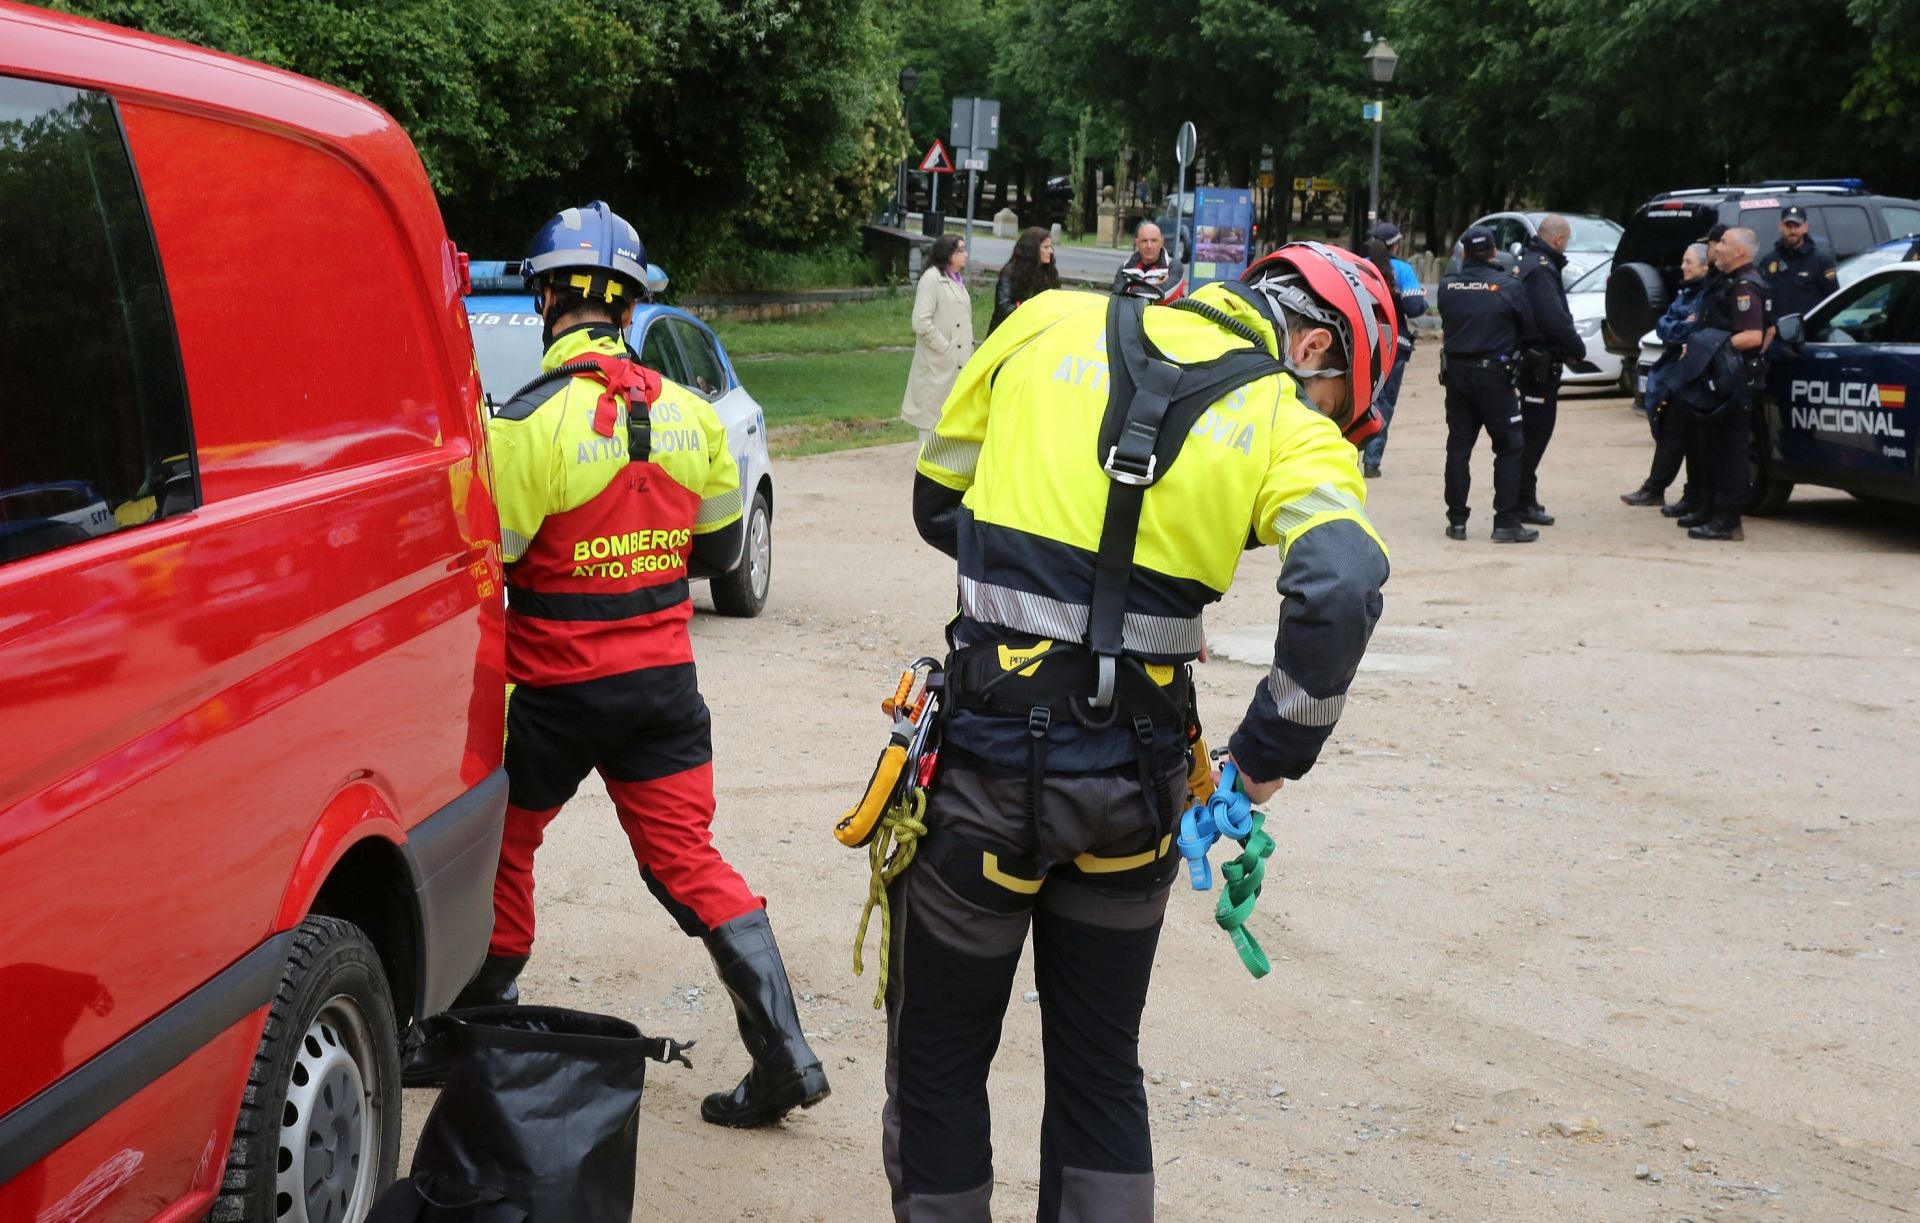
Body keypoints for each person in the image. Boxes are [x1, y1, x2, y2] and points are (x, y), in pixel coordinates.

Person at [898, 242, 1395, 1221]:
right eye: (1335, 397)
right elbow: (1340, 584)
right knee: (1099, 1071)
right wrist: (1256, 768)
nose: (1325, 418)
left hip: (988, 771)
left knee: (940, 1064)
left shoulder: (1042, 323)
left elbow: (938, 502)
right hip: (1137, 786)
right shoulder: (1282, 424)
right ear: (1308, 341)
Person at [466, 201, 830, 1128]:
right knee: (687, 859)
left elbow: (494, 564)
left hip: (553, 692)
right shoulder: (692, 416)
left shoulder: (526, 425)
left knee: (506, 842)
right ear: (629, 309)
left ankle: (480, 1022)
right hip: (665, 691)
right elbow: (711, 537)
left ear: (547, 298)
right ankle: (784, 1053)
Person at [1437, 225, 1537, 542]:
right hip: (1494, 377)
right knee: (1510, 446)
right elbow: (1529, 328)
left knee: (1459, 447)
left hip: (1457, 377)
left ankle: (1457, 522)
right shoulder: (1508, 286)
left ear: (1465, 253)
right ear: (1494, 251)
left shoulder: (1448, 287)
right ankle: (1506, 522)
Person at [1679, 225, 1770, 541]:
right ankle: (1712, 510)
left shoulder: (1746, 285)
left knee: (1731, 451)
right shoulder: (1727, 281)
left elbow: (1752, 336)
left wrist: (1707, 345)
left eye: (1724, 244)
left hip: (1735, 379)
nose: (1716, 249)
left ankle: (1728, 520)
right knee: (1711, 447)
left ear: (1740, 251)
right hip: (1718, 376)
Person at [1621, 242, 1710, 507]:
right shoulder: (1685, 292)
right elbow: (1664, 325)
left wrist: (1677, 329)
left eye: (1689, 262)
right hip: (1672, 369)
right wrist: (1677, 328)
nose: (1683, 266)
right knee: (1668, 428)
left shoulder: (1706, 295)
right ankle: (1663, 489)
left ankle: (1659, 489)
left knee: (1676, 431)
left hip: (1691, 372)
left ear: (1706, 266)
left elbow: (1687, 331)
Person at [1512, 215, 1586, 524]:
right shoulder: (1541, 269)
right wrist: (1576, 349)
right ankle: (1521, 501)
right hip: (1538, 364)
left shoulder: (1529, 262)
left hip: (1530, 360)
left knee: (1532, 434)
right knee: (1535, 435)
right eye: (1565, 242)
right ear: (1558, 240)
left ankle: (1524, 498)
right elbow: (1553, 318)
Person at [1360, 221, 1427, 478]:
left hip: (1361, 341)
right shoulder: (1403, 270)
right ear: (1396, 245)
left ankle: (1347, 452)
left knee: (1358, 398)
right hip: (1393, 345)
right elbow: (1414, 308)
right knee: (1384, 401)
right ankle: (1372, 462)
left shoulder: (1358, 266)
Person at [902, 234, 976, 446]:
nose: (965, 255)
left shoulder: (955, 279)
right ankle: (924, 467)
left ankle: (941, 469)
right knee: (930, 416)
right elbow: (920, 321)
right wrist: (944, 347)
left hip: (957, 364)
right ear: (948, 254)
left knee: (949, 416)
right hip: (937, 363)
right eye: (960, 250)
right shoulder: (932, 278)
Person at [1761, 205, 1838, 323]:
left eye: (1797, 226)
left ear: (1805, 227)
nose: (1792, 231)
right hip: (1777, 334)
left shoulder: (1821, 261)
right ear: (1780, 227)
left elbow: (1832, 300)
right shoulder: (1769, 261)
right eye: (1788, 226)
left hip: (1810, 332)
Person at [990, 226, 1059, 333]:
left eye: (1050, 247)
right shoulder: (1010, 273)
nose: (1050, 251)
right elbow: (1003, 307)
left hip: (1035, 332)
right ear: (1032, 249)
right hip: (1006, 333)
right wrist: (1032, 309)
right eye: (1046, 247)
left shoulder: (1046, 273)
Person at [1109, 220, 1181, 298]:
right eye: (1144, 241)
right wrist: (1155, 287)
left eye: (1154, 241)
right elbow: (1118, 296)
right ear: (1137, 243)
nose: (1149, 246)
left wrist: (1131, 290)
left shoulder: (1174, 267)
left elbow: (1162, 294)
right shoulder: (1124, 268)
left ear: (1161, 242)